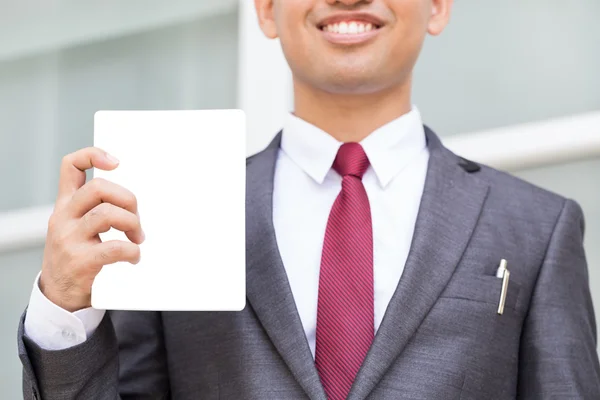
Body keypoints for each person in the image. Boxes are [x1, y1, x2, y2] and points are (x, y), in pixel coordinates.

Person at [17, 0, 600, 398]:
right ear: (266, 10)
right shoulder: (176, 211)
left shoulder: (534, 228)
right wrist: (65, 307)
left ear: (439, 6)